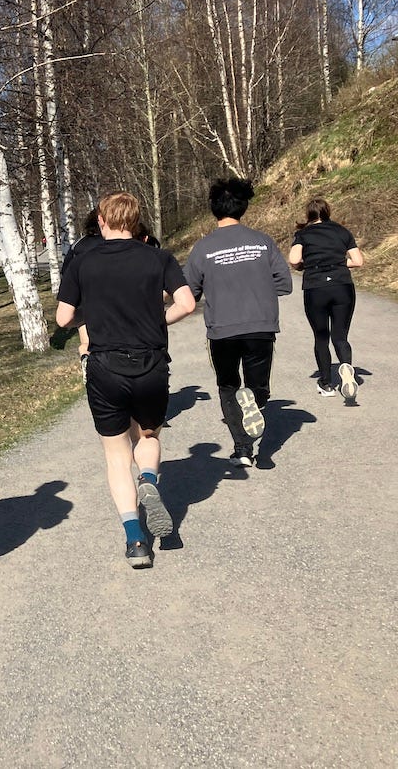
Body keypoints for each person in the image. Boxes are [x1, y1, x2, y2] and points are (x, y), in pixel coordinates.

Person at [56, 191, 196, 569]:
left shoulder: (83, 260)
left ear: (101, 220)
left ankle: (136, 540)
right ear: (136, 222)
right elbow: (187, 303)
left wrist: (95, 319)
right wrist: (154, 322)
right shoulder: (158, 257)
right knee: (148, 435)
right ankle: (148, 478)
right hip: (151, 364)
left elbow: (63, 318)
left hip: (105, 367)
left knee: (117, 456)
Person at [183, 178, 292, 468]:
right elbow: (284, 283)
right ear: (244, 206)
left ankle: (243, 450)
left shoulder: (202, 248)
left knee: (228, 385)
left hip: (222, 329)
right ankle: (254, 399)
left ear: (213, 209)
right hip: (261, 325)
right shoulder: (263, 241)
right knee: (259, 386)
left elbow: (189, 294)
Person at [288, 197, 364, 401]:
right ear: (328, 212)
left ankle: (326, 383)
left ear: (309, 215)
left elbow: (294, 260)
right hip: (342, 286)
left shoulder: (303, 234)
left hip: (316, 287)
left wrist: (308, 265)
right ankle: (347, 369)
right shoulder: (342, 231)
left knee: (321, 337)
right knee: (340, 336)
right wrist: (338, 263)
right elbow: (358, 261)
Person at [61, 208, 103, 381]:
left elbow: (66, 271)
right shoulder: (110, 241)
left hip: (83, 300)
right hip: (108, 298)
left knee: (86, 342)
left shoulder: (78, 244)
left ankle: (87, 361)